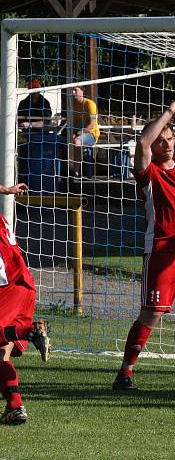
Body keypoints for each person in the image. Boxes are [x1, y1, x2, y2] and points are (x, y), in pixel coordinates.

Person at [112, 93, 175, 391]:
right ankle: (125, 373)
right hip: (161, 251)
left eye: (170, 138)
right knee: (153, 313)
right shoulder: (148, 173)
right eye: (162, 139)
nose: (167, 143)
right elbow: (143, 144)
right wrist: (170, 113)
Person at [0, 182, 51, 425]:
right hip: (24, 285)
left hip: (7, 288)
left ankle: (30, 330)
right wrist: (5, 190)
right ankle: (15, 406)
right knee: (2, 354)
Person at [66, 86, 100, 177]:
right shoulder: (72, 105)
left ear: (82, 91)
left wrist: (78, 133)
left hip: (91, 134)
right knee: (63, 140)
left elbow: (92, 124)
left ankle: (76, 170)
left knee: (77, 140)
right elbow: (73, 123)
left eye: (75, 90)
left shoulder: (90, 104)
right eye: (72, 90)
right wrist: (71, 133)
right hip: (78, 133)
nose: (73, 92)